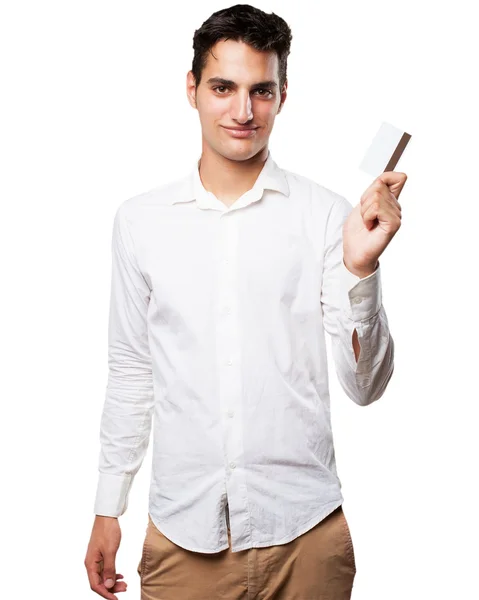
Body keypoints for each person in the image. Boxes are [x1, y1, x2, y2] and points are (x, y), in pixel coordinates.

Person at [84, 4, 406, 599]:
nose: (242, 111)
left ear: (283, 95)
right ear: (192, 90)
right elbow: (132, 370)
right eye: (223, 87)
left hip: (306, 537)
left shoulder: (327, 215)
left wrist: (362, 270)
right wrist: (110, 505)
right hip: (183, 537)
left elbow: (365, 389)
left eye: (261, 90)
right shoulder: (139, 222)